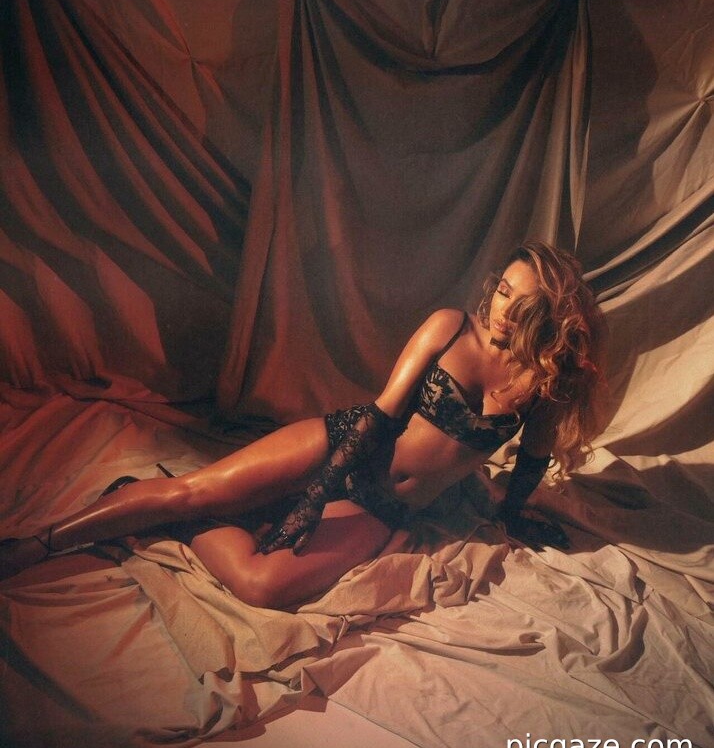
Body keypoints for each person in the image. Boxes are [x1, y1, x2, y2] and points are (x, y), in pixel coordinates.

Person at [0, 241, 605, 608]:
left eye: (520, 303)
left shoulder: (544, 386)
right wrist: (314, 498)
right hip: (345, 443)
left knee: (262, 586)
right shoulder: (449, 327)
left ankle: (173, 512)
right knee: (192, 489)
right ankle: (35, 545)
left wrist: (512, 516)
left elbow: (532, 459)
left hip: (387, 507)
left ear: (544, 317)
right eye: (502, 290)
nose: (502, 309)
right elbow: (380, 418)